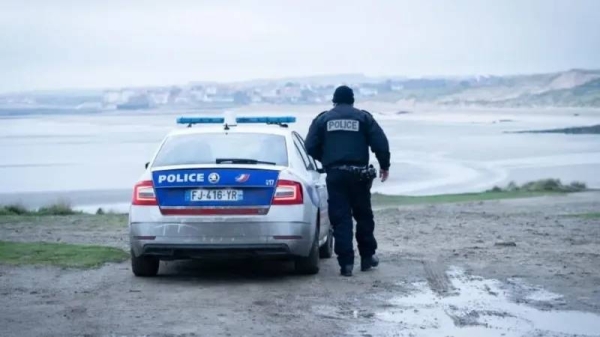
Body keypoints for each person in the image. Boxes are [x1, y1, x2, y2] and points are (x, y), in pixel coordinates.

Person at [304, 85, 390, 276]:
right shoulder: (363, 117)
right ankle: (367, 258)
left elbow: (309, 146)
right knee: (363, 216)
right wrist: (385, 165)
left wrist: (326, 159)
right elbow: (380, 142)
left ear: (334, 101)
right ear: (352, 100)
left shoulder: (323, 119)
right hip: (360, 175)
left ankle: (346, 265)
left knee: (341, 219)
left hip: (335, 175)